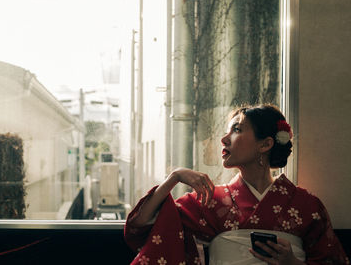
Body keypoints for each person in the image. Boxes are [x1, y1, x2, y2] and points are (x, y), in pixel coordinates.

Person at [124, 104, 349, 265]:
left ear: (266, 144)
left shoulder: (306, 205)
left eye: (237, 130)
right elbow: (140, 227)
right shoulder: (208, 199)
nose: (224, 139)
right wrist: (174, 177)